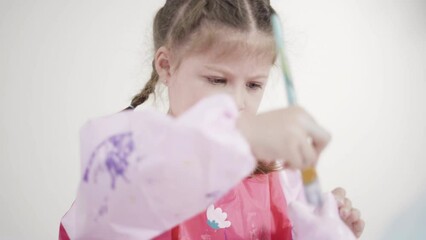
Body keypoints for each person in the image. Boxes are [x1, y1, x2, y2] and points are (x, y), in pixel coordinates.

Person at [59, 0, 364, 239]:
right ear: (167, 66)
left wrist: (320, 230)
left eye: (254, 85)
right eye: (218, 80)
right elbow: (118, 196)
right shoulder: (128, 158)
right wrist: (245, 135)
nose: (237, 104)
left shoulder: (282, 179)